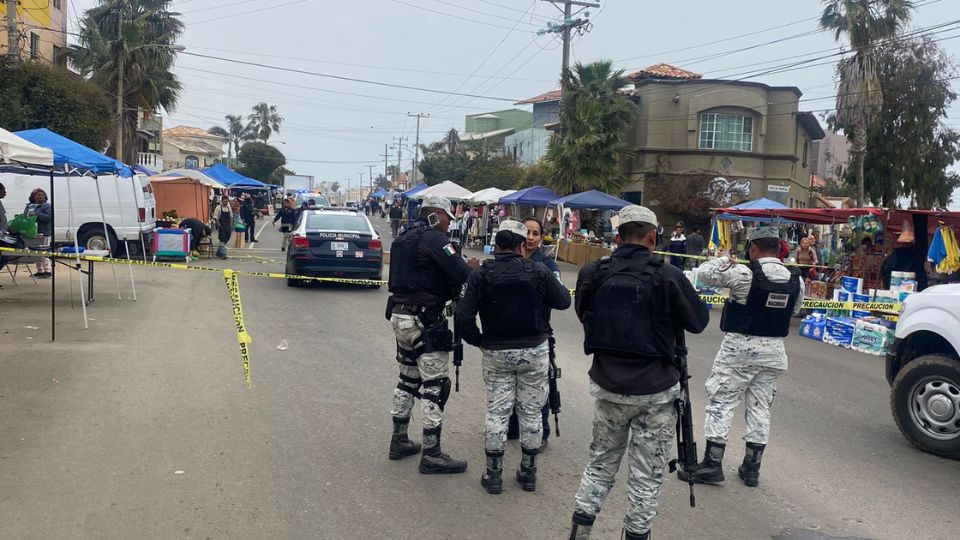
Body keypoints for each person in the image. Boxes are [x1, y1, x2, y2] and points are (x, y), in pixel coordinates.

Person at [569, 205, 709, 540]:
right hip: (656, 393)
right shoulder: (668, 275)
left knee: (600, 463)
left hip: (607, 386)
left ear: (617, 237)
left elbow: (583, 314)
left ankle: (579, 532)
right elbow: (699, 322)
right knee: (646, 476)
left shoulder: (592, 273)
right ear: (652, 236)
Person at [677, 227, 803, 489]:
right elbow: (796, 309)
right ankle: (751, 467)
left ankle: (712, 464)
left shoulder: (744, 272)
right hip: (774, 352)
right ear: (778, 248)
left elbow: (702, 274)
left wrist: (724, 259)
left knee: (721, 401)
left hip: (739, 349)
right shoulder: (795, 279)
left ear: (753, 248)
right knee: (760, 407)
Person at [456, 219, 571, 495]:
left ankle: (494, 475)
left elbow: (463, 317)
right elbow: (564, 301)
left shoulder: (481, 275)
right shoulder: (539, 270)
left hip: (496, 350)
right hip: (534, 350)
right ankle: (528, 473)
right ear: (521, 246)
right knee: (531, 412)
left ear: (495, 246)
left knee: (497, 411)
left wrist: (479, 341)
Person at [386, 195, 480, 474]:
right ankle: (432, 453)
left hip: (401, 316)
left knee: (407, 379)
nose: (449, 224)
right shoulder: (434, 239)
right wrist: (472, 267)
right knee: (436, 386)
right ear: (437, 215)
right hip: (424, 320)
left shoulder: (403, 238)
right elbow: (463, 273)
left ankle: (399, 439)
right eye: (448, 218)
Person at [505, 217, 560, 449]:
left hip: (538, 333)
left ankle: (541, 434)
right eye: (526, 232)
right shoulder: (505, 262)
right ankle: (512, 428)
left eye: (535, 233)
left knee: (539, 390)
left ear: (541, 237)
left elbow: (559, 299)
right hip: (508, 334)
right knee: (510, 387)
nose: (530, 237)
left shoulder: (548, 265)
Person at [24, 188, 53, 277]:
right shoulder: (30, 206)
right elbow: (25, 215)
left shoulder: (47, 206)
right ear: (33, 197)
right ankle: (40, 270)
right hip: (32, 232)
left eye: (42, 195)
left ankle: (47, 271)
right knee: (35, 251)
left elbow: (49, 217)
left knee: (44, 251)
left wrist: (37, 214)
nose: (40, 197)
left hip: (44, 232)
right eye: (38, 195)